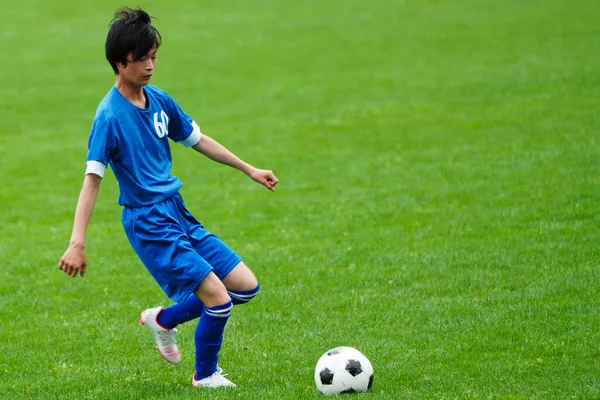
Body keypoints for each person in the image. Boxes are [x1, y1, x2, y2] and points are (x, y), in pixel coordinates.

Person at [58, 7, 278, 388]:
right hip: (148, 222)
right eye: (140, 59)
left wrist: (249, 169)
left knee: (244, 287)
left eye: (154, 57)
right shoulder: (108, 117)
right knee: (218, 300)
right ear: (118, 62)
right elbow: (91, 181)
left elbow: (199, 140)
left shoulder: (159, 100)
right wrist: (77, 242)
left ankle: (162, 320)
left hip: (177, 212)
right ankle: (205, 376)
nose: (149, 66)